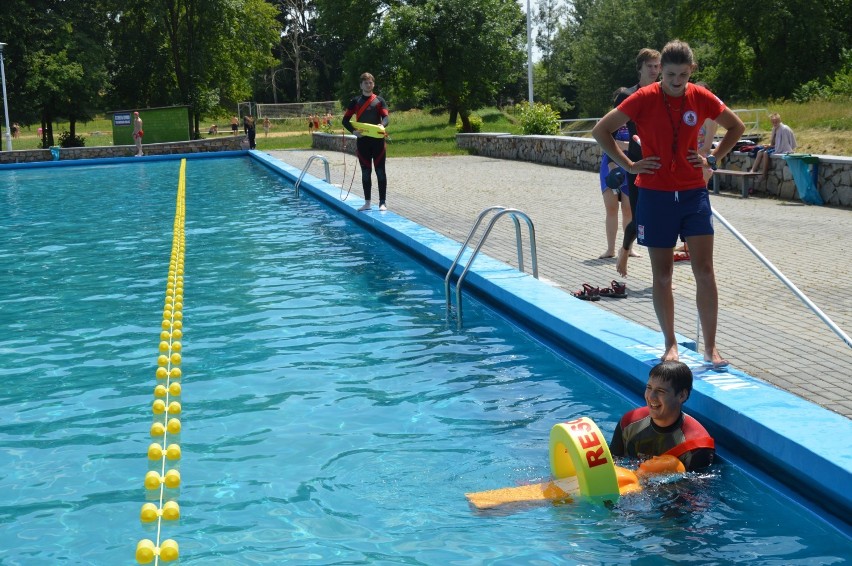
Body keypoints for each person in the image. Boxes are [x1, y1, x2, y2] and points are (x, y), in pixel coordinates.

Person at [592, 40, 745, 367]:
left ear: (692, 71)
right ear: (660, 71)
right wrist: (630, 165)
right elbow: (601, 130)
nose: (677, 81)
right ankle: (671, 344)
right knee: (662, 275)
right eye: (671, 74)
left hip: (693, 193)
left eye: (683, 75)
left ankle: (711, 347)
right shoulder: (644, 98)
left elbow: (736, 127)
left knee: (705, 270)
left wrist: (713, 158)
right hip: (656, 195)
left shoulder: (700, 96)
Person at [610, 361, 715, 472]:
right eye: (649, 388)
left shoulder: (697, 446)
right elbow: (611, 466)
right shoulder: (628, 423)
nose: (651, 397)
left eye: (660, 391)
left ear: (682, 395)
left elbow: (697, 488)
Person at [614, 48, 661, 276]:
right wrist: (623, 163)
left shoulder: (666, 92)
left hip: (662, 164)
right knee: (640, 217)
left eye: (657, 66)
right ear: (640, 68)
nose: (654, 70)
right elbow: (608, 134)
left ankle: (662, 275)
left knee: (664, 218)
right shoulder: (627, 95)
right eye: (650, 66)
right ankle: (624, 249)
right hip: (637, 164)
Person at [342, 72, 390, 212]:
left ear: (373, 84)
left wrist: (383, 125)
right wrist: (354, 131)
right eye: (366, 83)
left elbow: (386, 118)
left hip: (378, 142)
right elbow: (345, 120)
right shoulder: (355, 102)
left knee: (380, 171)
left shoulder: (380, 101)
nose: (368, 85)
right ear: (361, 85)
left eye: (370, 82)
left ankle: (382, 202)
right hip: (363, 142)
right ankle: (367, 202)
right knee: (365, 172)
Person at [598, 88, 634, 259]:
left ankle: (628, 248)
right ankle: (610, 249)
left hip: (631, 165)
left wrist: (624, 145)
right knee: (611, 207)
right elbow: (607, 143)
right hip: (611, 164)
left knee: (628, 209)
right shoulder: (612, 119)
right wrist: (613, 165)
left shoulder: (637, 119)